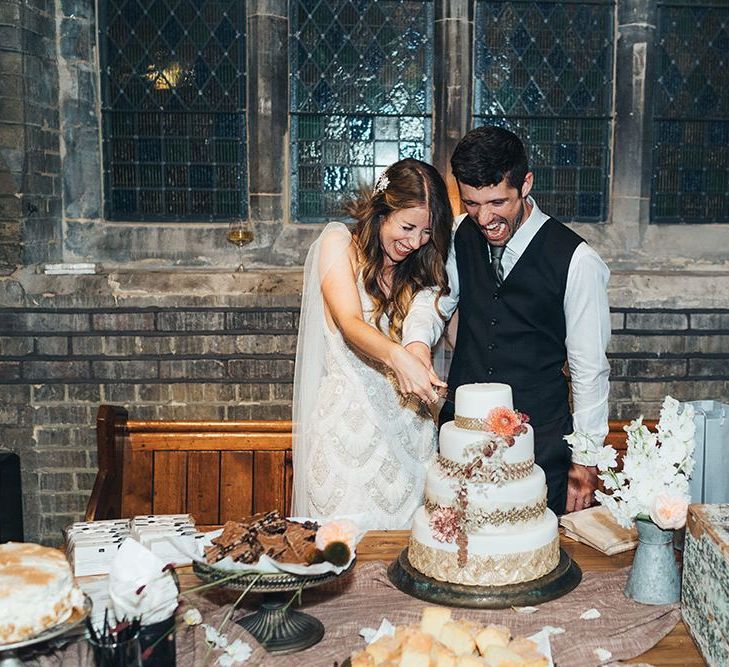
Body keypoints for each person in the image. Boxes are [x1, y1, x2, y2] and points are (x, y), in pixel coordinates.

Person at [402, 126, 611, 515]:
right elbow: (433, 298)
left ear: (526, 184)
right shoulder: (460, 234)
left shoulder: (577, 261)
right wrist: (415, 344)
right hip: (461, 440)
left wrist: (585, 459)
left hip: (540, 446)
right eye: (471, 203)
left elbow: (589, 370)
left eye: (498, 202)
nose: (484, 218)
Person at [292, 158, 452, 530]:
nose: (415, 242)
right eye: (407, 227)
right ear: (382, 212)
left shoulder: (421, 268)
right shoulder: (339, 245)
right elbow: (350, 323)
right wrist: (399, 357)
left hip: (410, 439)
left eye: (426, 233)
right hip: (348, 439)